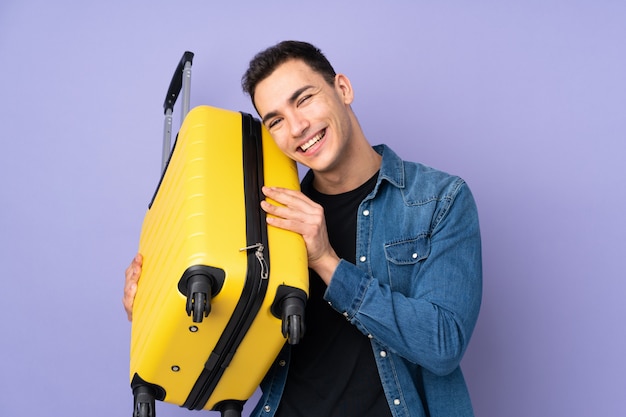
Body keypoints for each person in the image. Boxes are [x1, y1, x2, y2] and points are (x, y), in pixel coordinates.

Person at [124, 40, 482, 417]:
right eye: (275, 120)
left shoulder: (439, 200)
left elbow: (443, 344)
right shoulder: (259, 220)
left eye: (304, 99)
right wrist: (159, 306)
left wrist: (326, 261)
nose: (297, 127)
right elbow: (219, 349)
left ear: (342, 89)